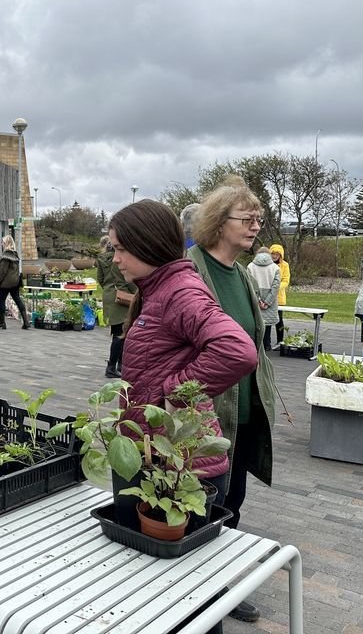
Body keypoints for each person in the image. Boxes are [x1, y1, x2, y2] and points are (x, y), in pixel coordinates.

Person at [110, 200, 258, 634]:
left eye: (120, 248)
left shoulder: (179, 292)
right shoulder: (157, 288)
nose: (115, 258)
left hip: (180, 466)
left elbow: (237, 350)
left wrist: (174, 392)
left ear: (146, 244)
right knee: (170, 586)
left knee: (187, 593)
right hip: (156, 456)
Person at [188, 176, 280, 624]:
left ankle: (218, 585)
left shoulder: (242, 274)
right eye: (247, 219)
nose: (255, 227)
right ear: (218, 222)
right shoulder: (190, 271)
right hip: (205, 418)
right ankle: (195, 595)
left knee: (231, 504)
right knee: (199, 509)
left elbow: (253, 344)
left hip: (242, 415)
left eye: (258, 219)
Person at [95, 234, 136, 377]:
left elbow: (99, 278)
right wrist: (136, 294)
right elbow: (124, 281)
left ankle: (118, 366)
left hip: (108, 295)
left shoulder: (101, 259)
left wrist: (108, 289)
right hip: (121, 297)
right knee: (121, 333)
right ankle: (113, 367)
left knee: (118, 330)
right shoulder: (119, 261)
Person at [0, 234, 30, 330]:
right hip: (15, 282)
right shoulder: (15, 254)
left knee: (1, 300)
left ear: (6, 243)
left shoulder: (5, 256)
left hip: (6, 283)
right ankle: (26, 321)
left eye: (3, 242)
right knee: (17, 299)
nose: (1, 244)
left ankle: (1, 322)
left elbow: (3, 271)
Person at [246, 247, 281, 350]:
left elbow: (249, 284)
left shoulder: (250, 266)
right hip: (270, 300)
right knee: (268, 323)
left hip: (255, 299)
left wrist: (259, 300)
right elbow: (276, 286)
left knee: (256, 322)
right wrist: (267, 302)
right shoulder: (275, 267)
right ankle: (267, 344)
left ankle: (255, 345)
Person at [268, 244, 290, 348]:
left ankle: (280, 341)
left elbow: (286, 280)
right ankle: (266, 342)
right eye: (273, 254)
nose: (275, 256)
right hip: (267, 296)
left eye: (277, 254)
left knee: (279, 319)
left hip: (279, 297)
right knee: (266, 319)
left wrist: (277, 287)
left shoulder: (285, 265)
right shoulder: (266, 264)